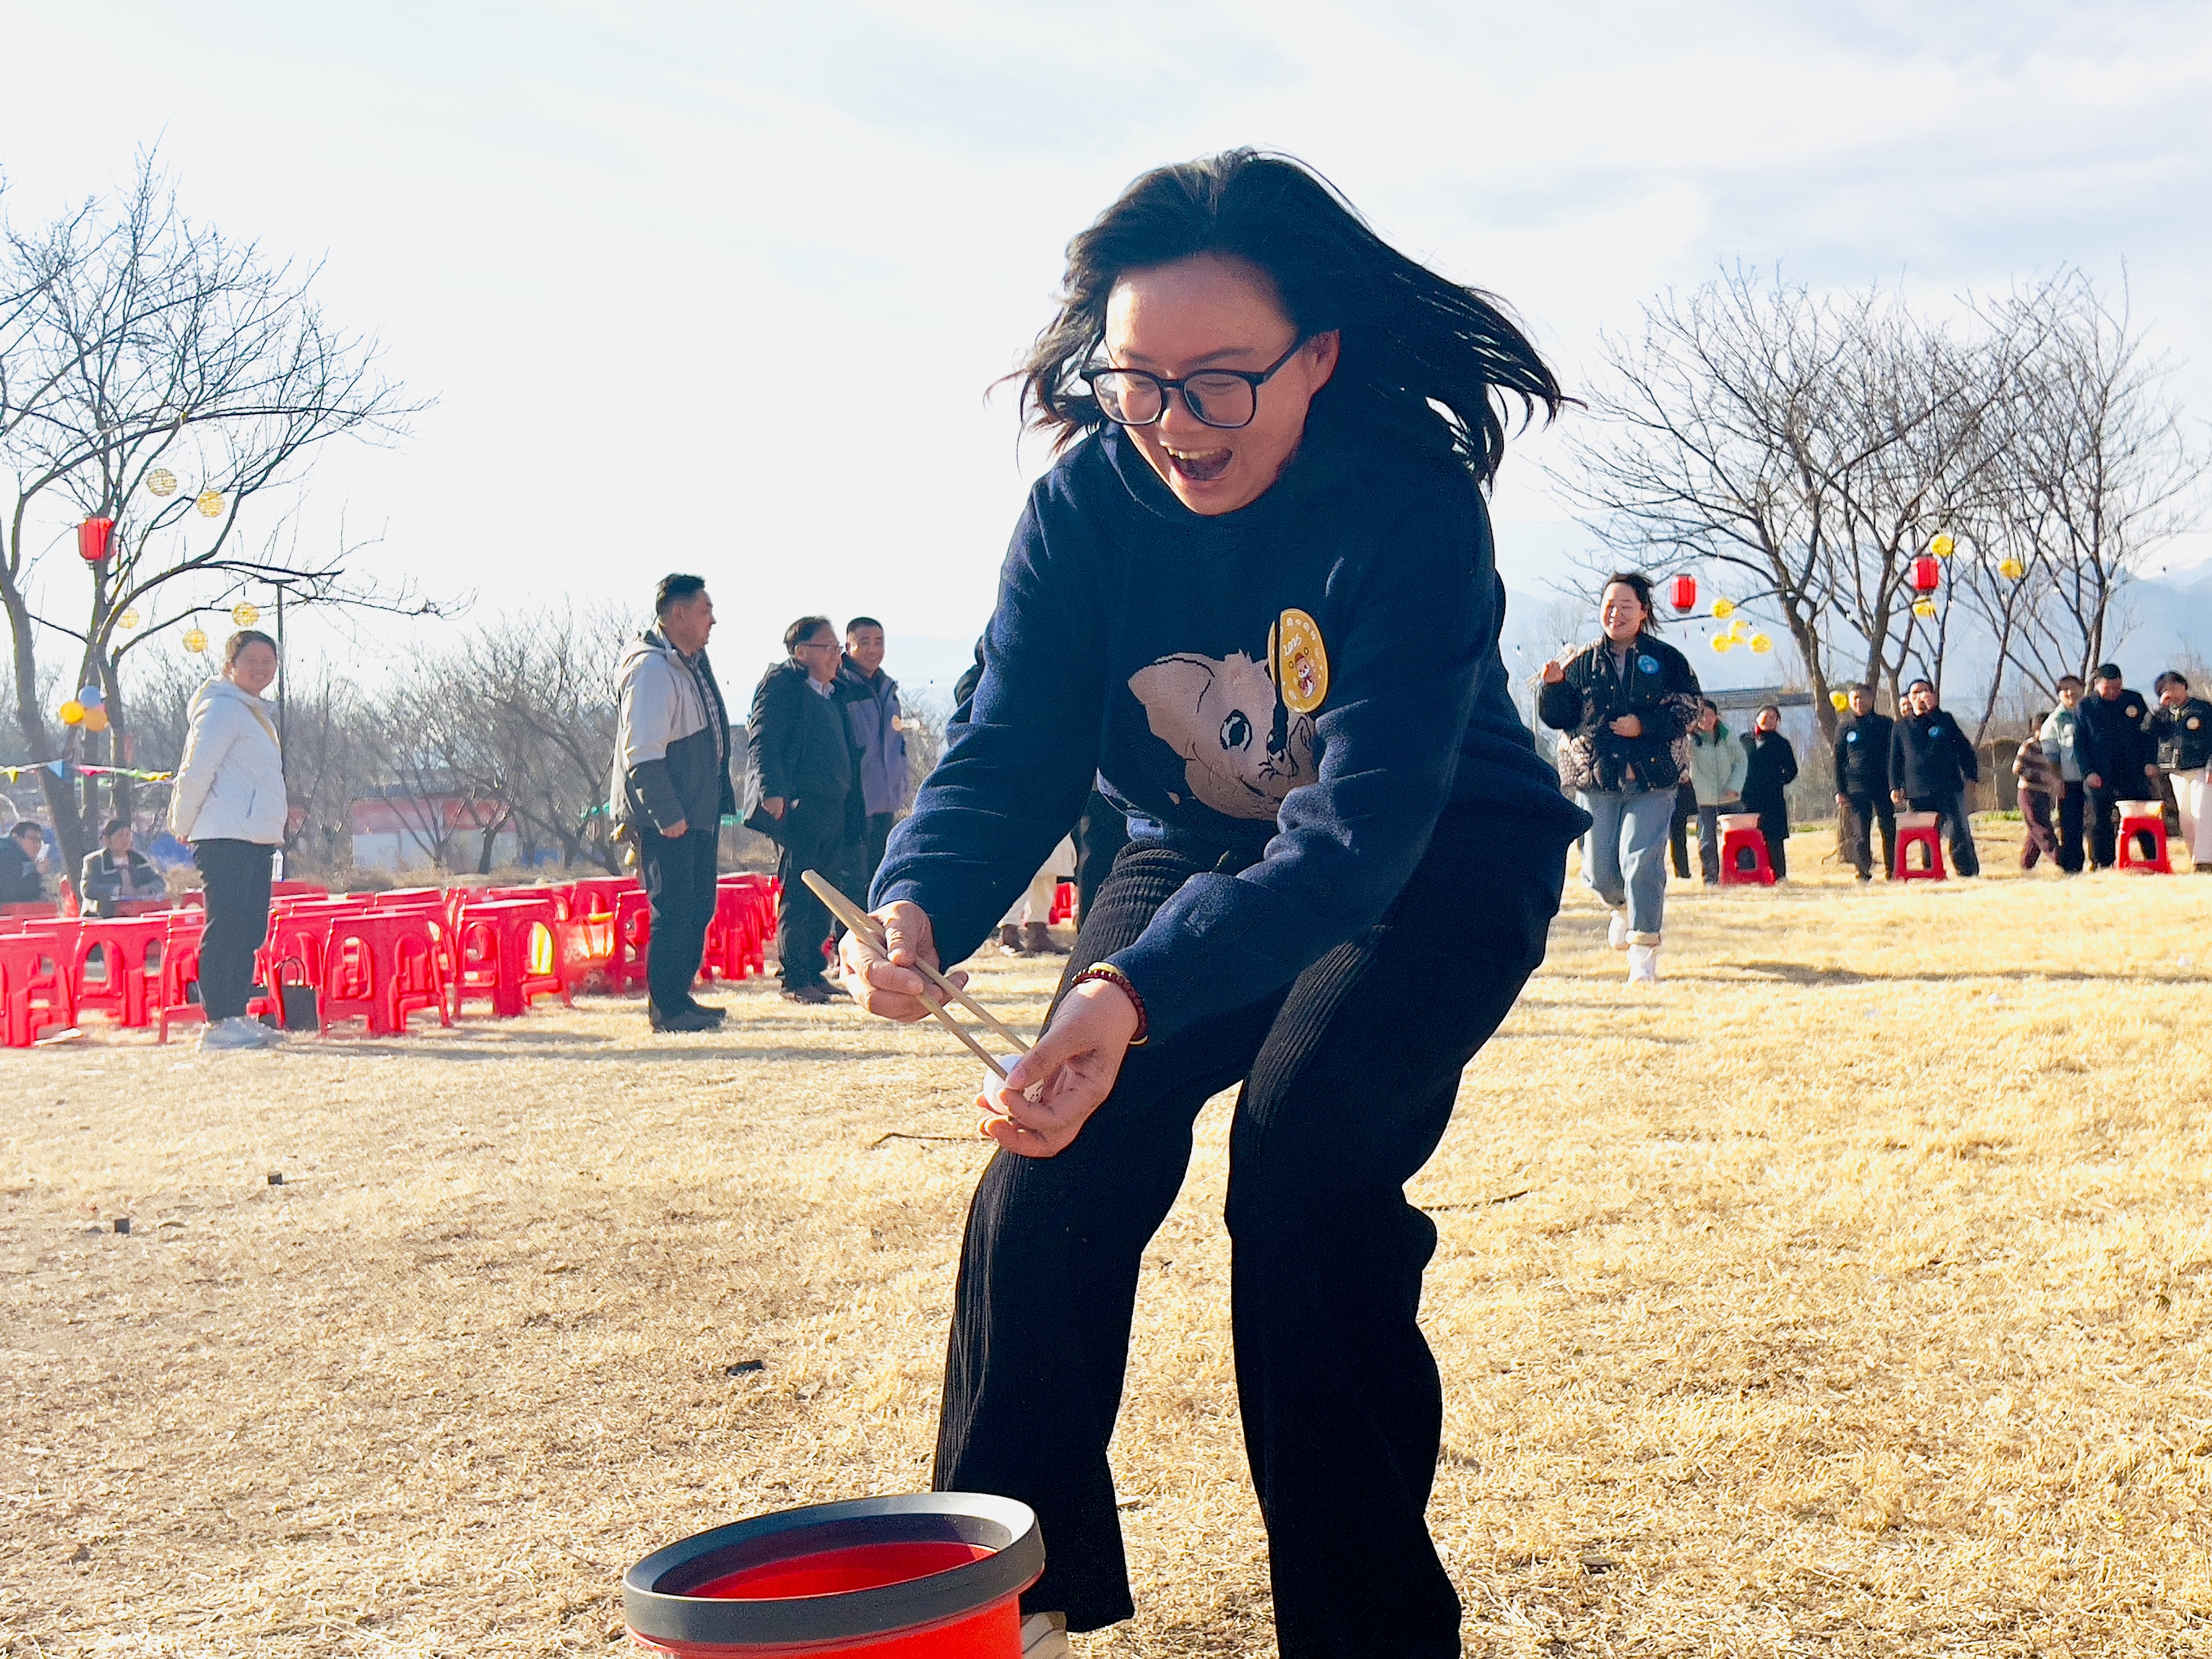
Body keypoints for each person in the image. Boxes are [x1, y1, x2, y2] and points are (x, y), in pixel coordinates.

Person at [836, 151, 1584, 1659]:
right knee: (1052, 1156)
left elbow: (1357, 835)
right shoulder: (1082, 508)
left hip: (1430, 860)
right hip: (1188, 842)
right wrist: (916, 902)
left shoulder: (1407, 508)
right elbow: (1010, 746)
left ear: (1316, 356)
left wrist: (1130, 993)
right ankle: (1010, 1606)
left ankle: (1364, 1627)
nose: (1173, 423)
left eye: (1220, 381)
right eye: (1138, 380)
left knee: (1303, 1168)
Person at [1540, 572, 1701, 983]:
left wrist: (1643, 725)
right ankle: (1621, 908)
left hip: (1653, 780)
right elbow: (1559, 718)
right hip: (1598, 780)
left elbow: (1688, 711)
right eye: (1608, 606)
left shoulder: (1668, 661)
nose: (1615, 614)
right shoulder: (1580, 663)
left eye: (1625, 606)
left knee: (1642, 861)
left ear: (1643, 612)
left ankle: (1643, 955)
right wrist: (1553, 688)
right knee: (1599, 873)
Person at [611, 574, 736, 1033]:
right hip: (671, 816)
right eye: (705, 610)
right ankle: (666, 1007)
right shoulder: (652, 669)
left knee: (697, 907)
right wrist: (668, 813)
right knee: (674, 908)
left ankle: (681, 997)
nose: (713, 620)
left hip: (696, 810)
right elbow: (642, 752)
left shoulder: (689, 663)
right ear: (677, 614)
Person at [169, 629, 288, 1051]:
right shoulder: (222, 708)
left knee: (249, 928)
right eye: (251, 660)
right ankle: (217, 1021)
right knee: (225, 926)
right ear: (229, 665)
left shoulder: (256, 713)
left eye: (268, 661)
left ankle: (237, 1012)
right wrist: (182, 820)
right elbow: (196, 767)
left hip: (255, 834)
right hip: (224, 833)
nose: (261, 669)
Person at [746, 614, 863, 1005]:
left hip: (833, 806)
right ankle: (794, 976)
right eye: (828, 648)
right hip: (799, 807)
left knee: (827, 892)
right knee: (800, 889)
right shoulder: (783, 686)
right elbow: (763, 739)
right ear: (801, 652)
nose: (836, 656)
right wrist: (771, 790)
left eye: (837, 649)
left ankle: (814, 968)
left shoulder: (834, 693)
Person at [838, 616, 908, 900]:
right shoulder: (839, 688)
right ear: (848, 646)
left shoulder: (887, 689)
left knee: (879, 879)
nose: (873, 650)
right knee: (852, 883)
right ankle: (845, 941)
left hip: (885, 801)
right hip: (854, 802)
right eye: (864, 643)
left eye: (878, 643)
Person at [1889, 678, 1980, 877]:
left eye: (1924, 692)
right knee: (1926, 835)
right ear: (1909, 699)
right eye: (1915, 694)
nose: (1920, 697)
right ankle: (1932, 871)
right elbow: (1895, 760)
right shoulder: (1901, 727)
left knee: (1958, 830)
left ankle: (1967, 872)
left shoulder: (1944, 720)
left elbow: (1963, 748)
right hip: (1918, 791)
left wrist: (1971, 776)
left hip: (1948, 787)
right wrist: (1895, 787)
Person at [2076, 664, 2158, 870]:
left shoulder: (2134, 700)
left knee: (2141, 816)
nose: (2113, 693)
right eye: (2108, 688)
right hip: (2100, 773)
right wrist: (2088, 772)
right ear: (2097, 685)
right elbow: (2080, 743)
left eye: (2118, 687)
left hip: (2132, 771)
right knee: (2099, 820)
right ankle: (2102, 862)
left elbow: (2148, 734)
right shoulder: (2085, 706)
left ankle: (2153, 859)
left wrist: (2149, 761)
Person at [2148, 670, 2212, 871]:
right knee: (2186, 817)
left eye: (2176, 687)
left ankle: (2205, 860)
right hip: (2175, 770)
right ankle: (2194, 856)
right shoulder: (2162, 715)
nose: (2172, 693)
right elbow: (2146, 732)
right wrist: (2160, 710)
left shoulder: (2202, 709)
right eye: (2166, 690)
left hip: (2202, 768)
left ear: (2184, 686)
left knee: (2202, 812)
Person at [1833, 683, 1896, 881]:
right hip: (1856, 788)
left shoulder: (1886, 724)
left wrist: (1896, 785)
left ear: (1871, 700)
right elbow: (1838, 760)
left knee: (1888, 828)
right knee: (1860, 832)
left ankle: (1893, 870)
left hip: (1883, 785)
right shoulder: (1845, 727)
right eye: (1855, 699)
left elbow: (1895, 757)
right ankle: (1863, 871)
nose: (1859, 702)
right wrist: (1840, 790)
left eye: (1862, 698)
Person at [1684, 699, 1744, 885]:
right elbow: (1682, 761)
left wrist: (1735, 786)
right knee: (1707, 840)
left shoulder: (1727, 735)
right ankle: (1711, 879)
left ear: (1717, 717)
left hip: (1730, 795)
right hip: (1704, 798)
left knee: (1740, 836)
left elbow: (1741, 761)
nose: (1707, 719)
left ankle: (1742, 874)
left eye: (1711, 715)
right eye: (1702, 715)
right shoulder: (1689, 739)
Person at [1738, 705, 1798, 879]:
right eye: (1766, 716)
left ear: (1777, 722)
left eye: (1773, 718)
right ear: (1757, 718)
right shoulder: (1744, 740)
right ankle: (1749, 874)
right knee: (1748, 838)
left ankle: (1779, 875)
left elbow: (1791, 770)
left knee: (1774, 839)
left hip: (1773, 798)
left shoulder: (1781, 744)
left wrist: (1778, 780)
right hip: (1747, 797)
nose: (1769, 720)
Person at [2036, 676, 2089, 874]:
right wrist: (2057, 779)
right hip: (2070, 780)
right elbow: (2051, 755)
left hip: (2094, 778)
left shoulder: (2091, 711)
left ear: (2082, 688)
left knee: (2097, 824)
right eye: (2064, 689)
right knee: (2071, 826)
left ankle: (2101, 862)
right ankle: (2073, 867)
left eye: (2073, 688)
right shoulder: (2055, 721)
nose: (2069, 693)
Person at [79, 818, 164, 910]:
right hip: (101, 915)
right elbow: (87, 889)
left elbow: (159, 882)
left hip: (135, 911)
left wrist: (147, 889)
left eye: (127, 835)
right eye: (119, 836)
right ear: (106, 840)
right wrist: (117, 890)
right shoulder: (94, 861)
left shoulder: (138, 859)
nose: (125, 840)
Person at [2014, 719, 2063, 870]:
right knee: (2042, 828)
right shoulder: (2030, 746)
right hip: (2029, 792)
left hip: (2044, 794)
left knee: (2035, 830)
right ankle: (2062, 860)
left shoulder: (2052, 748)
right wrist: (2040, 777)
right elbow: (2017, 768)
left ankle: (2026, 864)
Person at [1, 819, 48, 904]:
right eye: (33, 839)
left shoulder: (19, 857)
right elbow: (12, 894)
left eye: (40, 841)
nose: (37, 845)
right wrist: (38, 873)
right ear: (16, 837)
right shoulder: (6, 854)